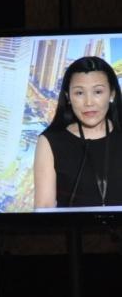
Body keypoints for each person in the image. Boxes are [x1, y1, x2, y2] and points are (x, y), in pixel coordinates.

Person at [34, 55, 122, 208]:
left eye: (98, 92)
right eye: (79, 93)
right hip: (70, 225)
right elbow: (45, 207)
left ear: (112, 94)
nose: (89, 102)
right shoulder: (50, 142)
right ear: (68, 97)